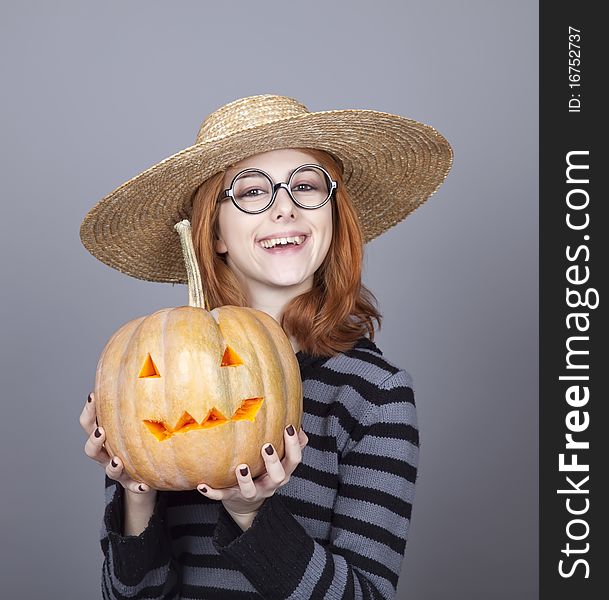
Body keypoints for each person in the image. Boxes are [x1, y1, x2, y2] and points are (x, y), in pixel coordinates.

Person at [79, 94, 453, 599]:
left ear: (332, 217)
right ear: (214, 232)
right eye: (253, 192)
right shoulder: (156, 378)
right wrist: (135, 492)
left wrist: (251, 515)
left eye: (305, 186)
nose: (285, 208)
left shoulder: (374, 394)